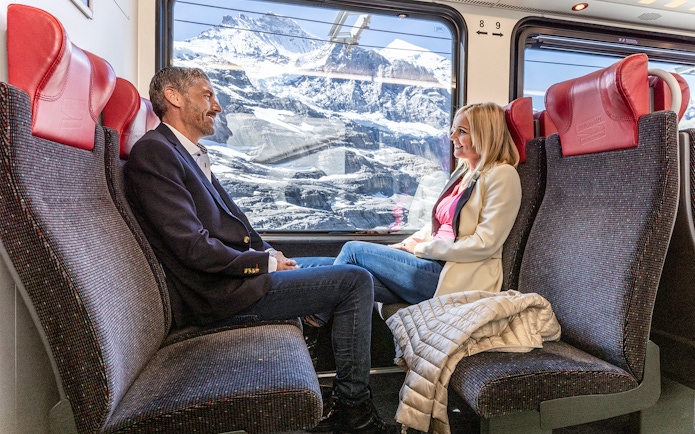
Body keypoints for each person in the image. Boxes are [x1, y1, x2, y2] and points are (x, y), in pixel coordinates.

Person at [123, 66, 398, 434]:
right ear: (173, 97)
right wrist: (264, 263)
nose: (217, 106)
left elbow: (237, 227)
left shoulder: (187, 153)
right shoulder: (155, 153)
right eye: (207, 95)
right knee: (354, 281)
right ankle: (355, 410)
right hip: (216, 294)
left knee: (336, 263)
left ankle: (324, 333)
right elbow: (193, 248)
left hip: (230, 278)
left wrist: (273, 255)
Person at [334, 102, 522, 306]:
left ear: (484, 135)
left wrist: (422, 249)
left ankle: (314, 319)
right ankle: (316, 328)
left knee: (352, 251)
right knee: (352, 277)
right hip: (432, 262)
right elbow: (438, 226)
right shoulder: (463, 173)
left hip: (455, 274)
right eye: (453, 131)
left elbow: (485, 244)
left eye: (462, 131)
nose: (452, 138)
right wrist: (405, 245)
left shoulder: (502, 175)